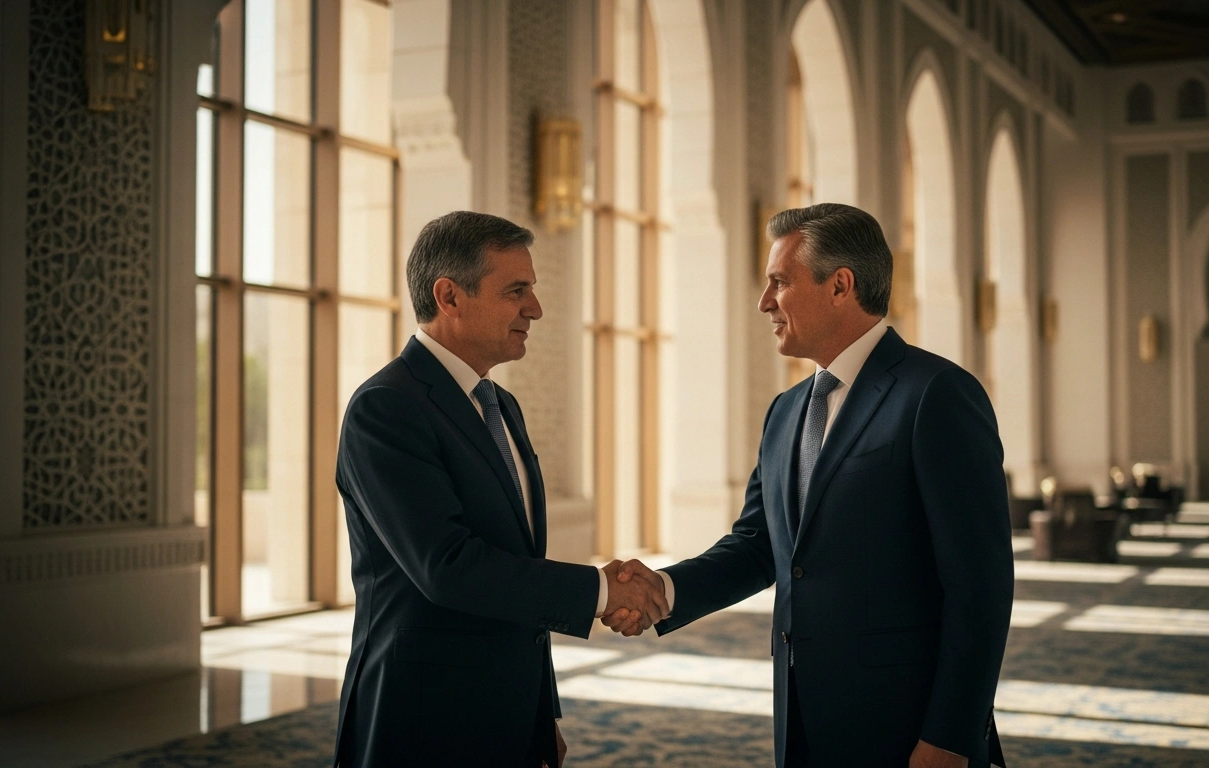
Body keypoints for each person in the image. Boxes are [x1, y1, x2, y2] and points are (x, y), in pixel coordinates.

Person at [605, 204, 1014, 767]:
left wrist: (950, 735)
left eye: (779, 281)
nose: (764, 301)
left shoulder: (937, 394)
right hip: (802, 720)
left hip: (908, 727)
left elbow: (981, 586)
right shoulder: (786, 410)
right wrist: (663, 592)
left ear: (840, 285)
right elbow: (758, 546)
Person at [333, 211, 667, 768]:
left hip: (509, 713)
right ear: (449, 296)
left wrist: (542, 713)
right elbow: (448, 567)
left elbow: (515, 567)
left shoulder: (500, 405)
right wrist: (603, 592)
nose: (534, 308)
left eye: (531, 290)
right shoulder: (386, 408)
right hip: (421, 717)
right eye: (516, 291)